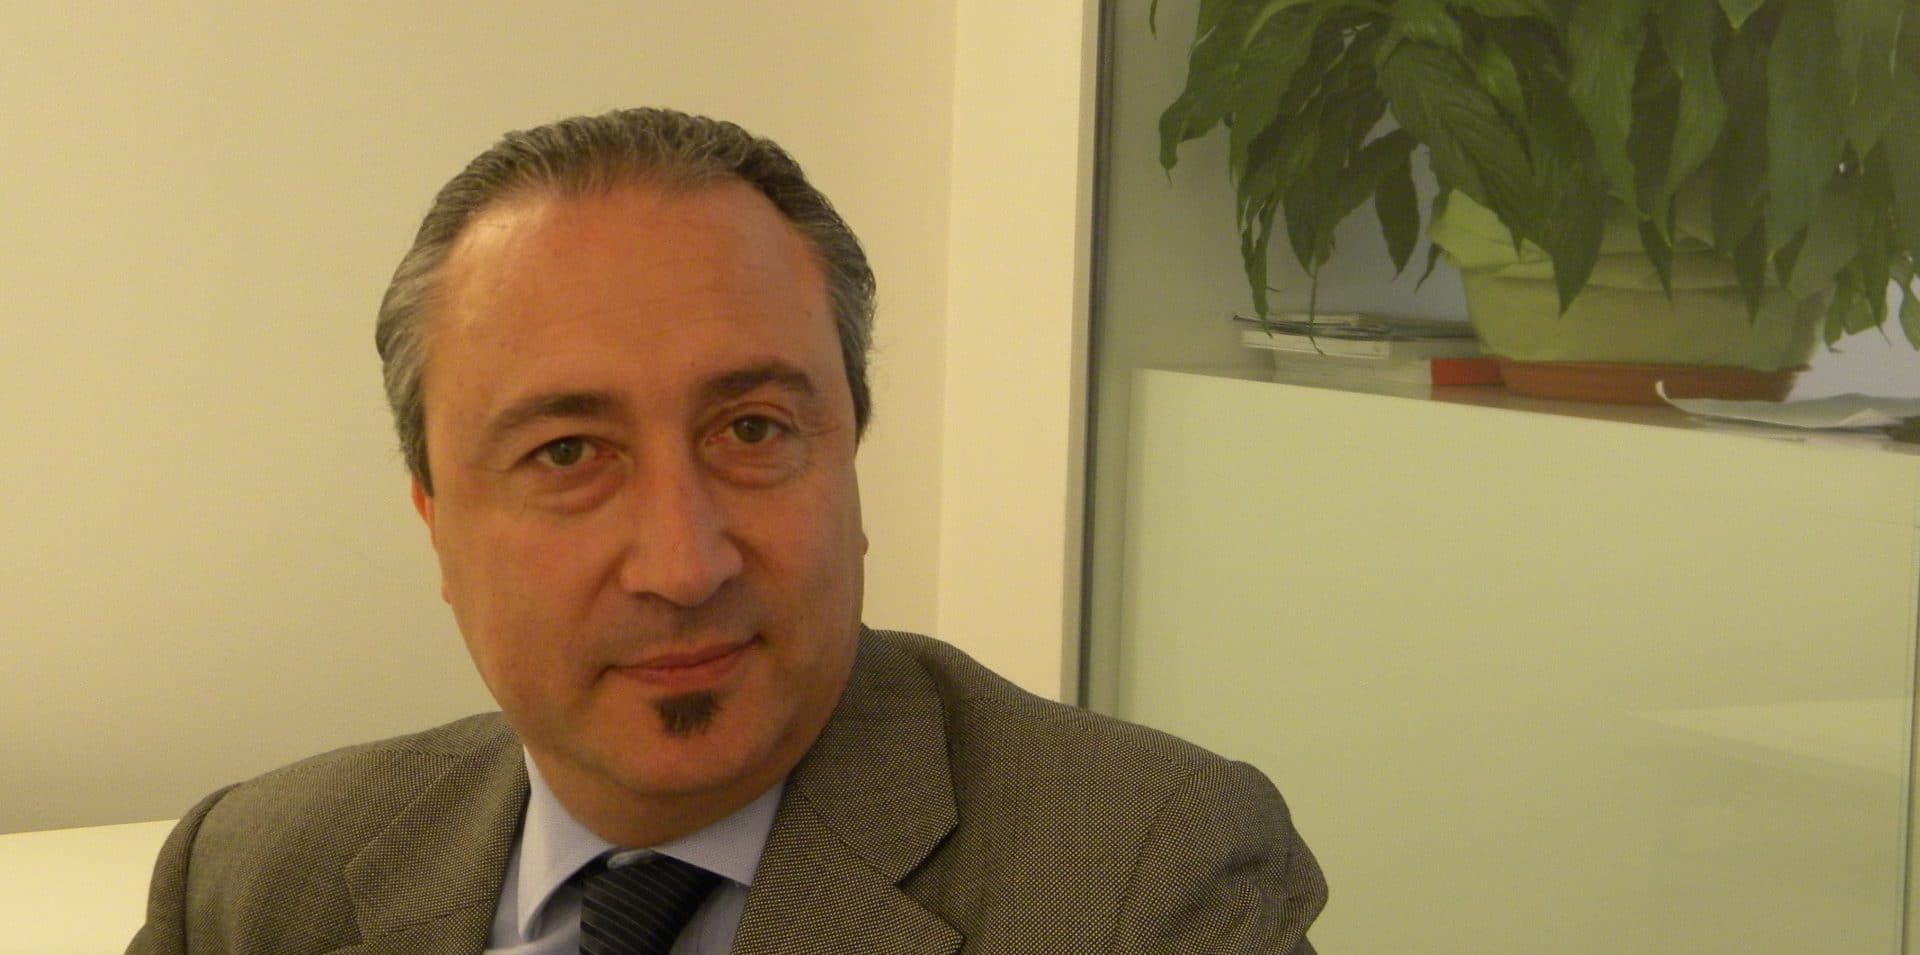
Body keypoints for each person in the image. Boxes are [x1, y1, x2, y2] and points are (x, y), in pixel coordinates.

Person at [126, 107, 1325, 954]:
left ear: (849, 459)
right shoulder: (253, 877)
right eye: (567, 454)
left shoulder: (1144, 877)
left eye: (752, 431)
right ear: (435, 521)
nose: (684, 563)